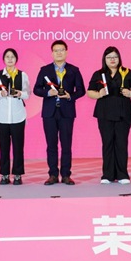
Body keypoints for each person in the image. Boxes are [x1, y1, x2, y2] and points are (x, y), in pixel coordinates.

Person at [33, 40, 86, 185]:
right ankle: (53, 174)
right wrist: (47, 92)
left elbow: (81, 90)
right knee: (51, 145)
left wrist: (70, 96)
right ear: (52, 53)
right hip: (49, 112)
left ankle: (66, 174)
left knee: (66, 145)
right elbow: (36, 89)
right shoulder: (45, 70)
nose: (59, 53)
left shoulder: (74, 70)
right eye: (56, 50)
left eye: (62, 50)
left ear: (66, 52)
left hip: (67, 112)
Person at [87, 46, 131, 184]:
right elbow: (89, 92)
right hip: (104, 112)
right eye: (109, 57)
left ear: (119, 58)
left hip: (123, 112)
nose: (112, 60)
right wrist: (99, 94)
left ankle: (122, 174)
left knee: (121, 143)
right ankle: (108, 175)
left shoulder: (126, 72)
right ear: (104, 59)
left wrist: (130, 93)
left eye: (115, 57)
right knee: (107, 143)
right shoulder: (98, 74)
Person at [0, 48, 31, 185]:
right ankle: (4, 174)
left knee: (18, 147)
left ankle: (18, 174)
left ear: (16, 59)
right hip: (2, 116)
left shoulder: (22, 75)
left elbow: (28, 93)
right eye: (7, 57)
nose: (10, 59)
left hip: (18, 115)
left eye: (12, 57)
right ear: (4, 59)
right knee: (4, 146)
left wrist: (20, 94)